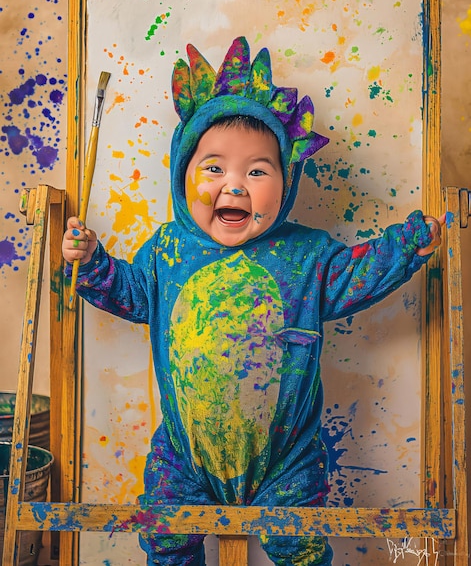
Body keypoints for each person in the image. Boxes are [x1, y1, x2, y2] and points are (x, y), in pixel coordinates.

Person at [62, 36, 443, 566]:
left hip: (286, 457)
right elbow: (128, 293)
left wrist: (406, 244)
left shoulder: (307, 255)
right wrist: (91, 262)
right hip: (185, 454)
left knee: (299, 546)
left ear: (286, 184)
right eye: (214, 168)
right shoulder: (167, 250)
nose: (235, 186)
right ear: (182, 176)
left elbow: (360, 273)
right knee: (166, 537)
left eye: (257, 171)